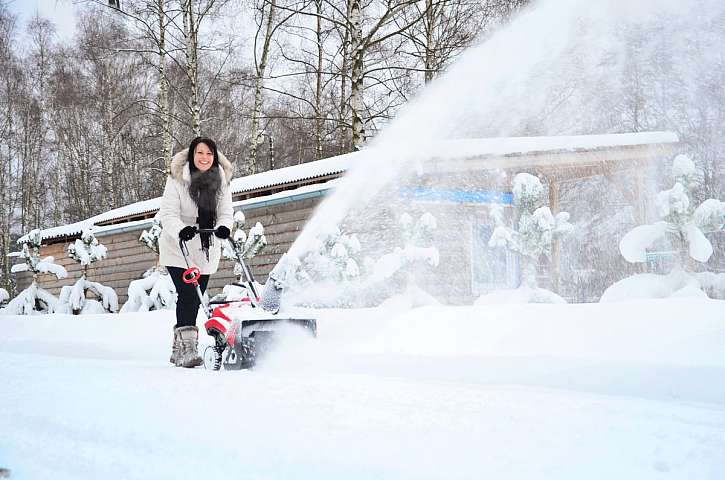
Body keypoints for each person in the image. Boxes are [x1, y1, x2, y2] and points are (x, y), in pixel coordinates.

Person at [158, 137, 234, 367]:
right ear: (192, 155)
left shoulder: (221, 180)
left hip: (205, 247)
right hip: (177, 245)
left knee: (197, 296)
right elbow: (168, 214)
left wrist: (224, 228)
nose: (204, 158)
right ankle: (188, 349)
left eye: (209, 154)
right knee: (189, 295)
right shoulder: (178, 179)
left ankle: (177, 348)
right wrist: (182, 230)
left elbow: (226, 212)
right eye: (200, 153)